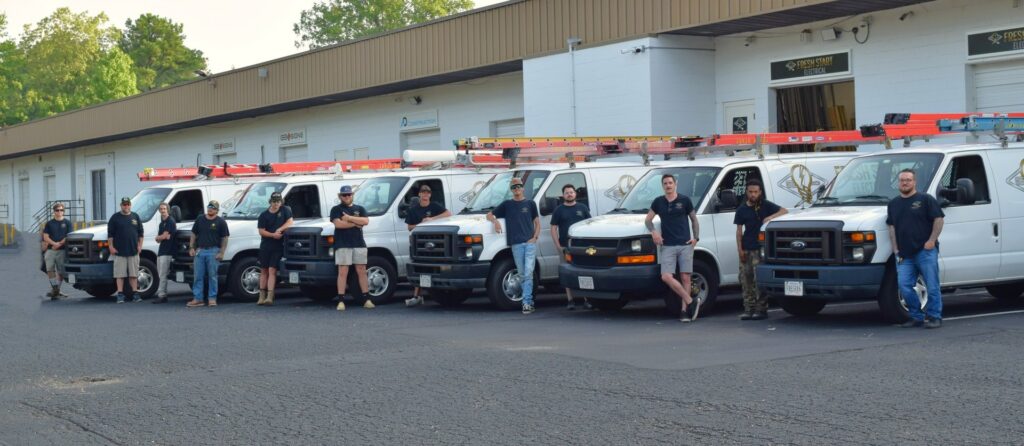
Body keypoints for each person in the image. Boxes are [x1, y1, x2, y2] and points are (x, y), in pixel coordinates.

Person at [887, 169, 944, 329]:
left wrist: (931, 241)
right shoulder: (893, 204)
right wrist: (895, 249)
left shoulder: (926, 199)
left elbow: (939, 219)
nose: (905, 182)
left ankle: (935, 317)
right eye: (902, 180)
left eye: (908, 180)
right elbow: (891, 227)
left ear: (914, 182)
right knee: (904, 286)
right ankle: (916, 317)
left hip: (925, 251)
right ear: (898, 183)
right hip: (904, 254)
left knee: (932, 286)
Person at [645, 174, 702, 322]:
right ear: (662, 186)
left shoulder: (685, 200)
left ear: (675, 184)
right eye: (665, 183)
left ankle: (684, 311)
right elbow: (648, 220)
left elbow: (694, 219)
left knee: (685, 278)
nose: (668, 185)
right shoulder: (658, 202)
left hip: (685, 244)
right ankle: (690, 300)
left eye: (670, 183)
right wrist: (654, 232)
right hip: (667, 245)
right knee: (666, 276)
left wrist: (696, 238)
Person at [733, 179, 787, 320]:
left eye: (756, 192)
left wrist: (770, 217)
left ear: (760, 192)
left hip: (760, 249)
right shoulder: (741, 209)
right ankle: (748, 309)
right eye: (750, 192)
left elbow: (784, 210)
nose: (753, 194)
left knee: (759, 281)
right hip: (747, 248)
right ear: (746, 192)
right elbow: (739, 231)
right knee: (746, 280)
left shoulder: (765, 205)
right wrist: (740, 250)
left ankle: (761, 309)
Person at [487, 177, 541, 314]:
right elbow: (489, 215)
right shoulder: (507, 204)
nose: (516, 189)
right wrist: (495, 222)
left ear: (523, 188)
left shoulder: (530, 204)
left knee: (528, 273)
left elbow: (537, 223)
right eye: (513, 187)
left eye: (518, 186)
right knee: (522, 274)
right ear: (511, 190)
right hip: (516, 245)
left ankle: (526, 303)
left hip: (529, 244)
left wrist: (534, 238)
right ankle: (528, 302)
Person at [403, 184, 451, 307]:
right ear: (419, 194)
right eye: (423, 192)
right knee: (421, 268)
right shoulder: (413, 210)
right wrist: (421, 223)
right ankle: (416, 296)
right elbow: (409, 227)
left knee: (434, 268)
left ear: (430, 195)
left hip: (435, 243)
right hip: (419, 244)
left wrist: (432, 219)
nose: (425, 194)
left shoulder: (435, 206)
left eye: (428, 192)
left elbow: (448, 213)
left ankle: (438, 293)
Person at [330, 185, 374, 311]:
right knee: (343, 271)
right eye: (344, 195)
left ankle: (366, 299)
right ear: (340, 196)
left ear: (352, 195)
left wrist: (349, 219)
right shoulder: (336, 209)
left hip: (359, 243)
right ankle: (341, 301)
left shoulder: (360, 208)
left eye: (349, 194)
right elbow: (338, 224)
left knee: (361, 270)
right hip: (342, 244)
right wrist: (356, 223)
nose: (347, 197)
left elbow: (365, 221)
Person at [549, 184, 592, 310]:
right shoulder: (558, 210)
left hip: (581, 248)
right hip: (565, 247)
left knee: (583, 272)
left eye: (571, 192)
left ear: (575, 194)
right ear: (563, 195)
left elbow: (590, 225)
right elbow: (553, 228)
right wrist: (558, 246)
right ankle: (570, 300)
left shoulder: (582, 208)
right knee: (567, 273)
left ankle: (587, 300)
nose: (569, 194)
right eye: (567, 192)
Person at [186, 200, 230, 308]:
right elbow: (193, 234)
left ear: (217, 210)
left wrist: (221, 252)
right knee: (198, 276)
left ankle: (212, 298)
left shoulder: (221, 222)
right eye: (209, 206)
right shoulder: (200, 219)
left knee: (212, 276)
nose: (210, 209)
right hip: (200, 251)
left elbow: (225, 238)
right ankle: (198, 299)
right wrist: (191, 247)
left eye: (213, 207)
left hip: (213, 251)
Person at [257, 192, 293, 306]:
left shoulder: (285, 210)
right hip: (266, 245)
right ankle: (261, 296)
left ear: (281, 201)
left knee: (272, 270)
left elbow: (290, 222)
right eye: (274, 201)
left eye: (278, 201)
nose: (276, 204)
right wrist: (273, 235)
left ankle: (269, 296)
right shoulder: (264, 215)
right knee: (264, 270)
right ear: (270, 202)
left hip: (278, 246)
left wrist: (280, 229)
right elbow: (261, 231)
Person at [108, 196, 145, 304]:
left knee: (134, 274)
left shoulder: (135, 216)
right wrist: (111, 247)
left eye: (128, 204)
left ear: (130, 205)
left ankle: (135, 294)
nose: (126, 206)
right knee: (120, 275)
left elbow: (141, 233)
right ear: (121, 205)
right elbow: (110, 234)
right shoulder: (115, 218)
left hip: (133, 251)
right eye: (124, 204)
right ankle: (120, 294)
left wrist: (140, 246)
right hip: (119, 252)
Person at [42, 202, 71, 299]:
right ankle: (55, 289)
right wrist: (54, 244)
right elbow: (45, 237)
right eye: (57, 210)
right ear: (54, 212)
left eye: (61, 210)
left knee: (61, 271)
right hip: (50, 250)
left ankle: (56, 290)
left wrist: (59, 244)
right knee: (50, 270)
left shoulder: (67, 223)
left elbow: (68, 236)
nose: (59, 212)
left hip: (62, 251)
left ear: (64, 211)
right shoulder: (49, 223)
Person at [153, 203, 177, 304]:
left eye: (164, 209)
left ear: (168, 210)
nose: (163, 210)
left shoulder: (170, 221)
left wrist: (161, 237)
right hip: (161, 251)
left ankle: (162, 295)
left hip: (168, 252)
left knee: (163, 274)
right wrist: (161, 237)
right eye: (161, 209)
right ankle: (163, 294)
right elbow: (159, 239)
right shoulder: (161, 224)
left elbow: (163, 237)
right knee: (160, 274)